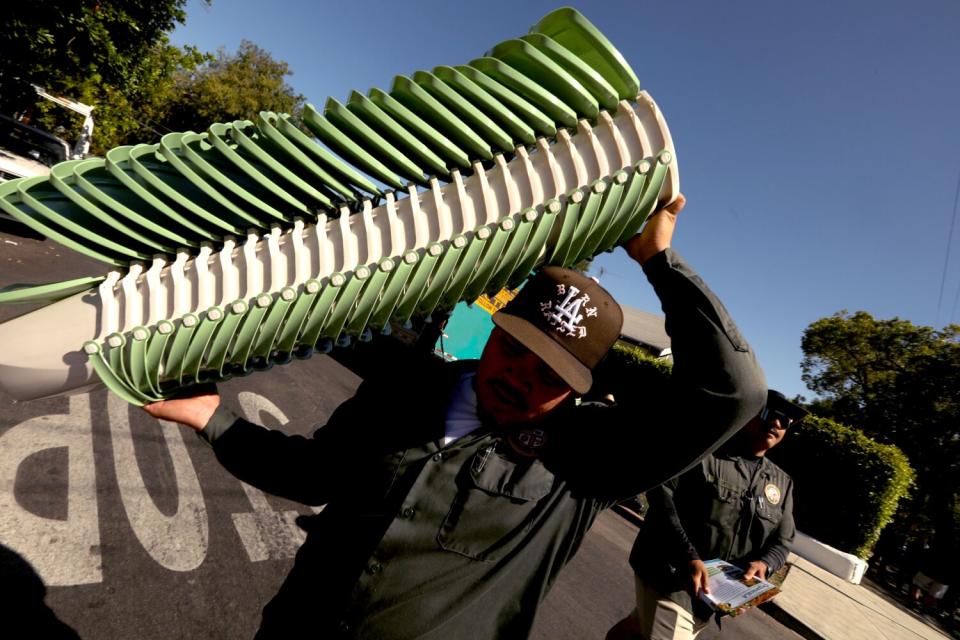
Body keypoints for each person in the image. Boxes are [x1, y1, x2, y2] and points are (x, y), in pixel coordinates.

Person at [144, 194, 767, 639]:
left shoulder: (591, 459)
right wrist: (216, 421)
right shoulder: (411, 386)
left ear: (580, 386)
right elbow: (317, 473)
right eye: (516, 348)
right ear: (494, 329)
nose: (520, 375)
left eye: (551, 373)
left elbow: (735, 392)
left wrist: (658, 260)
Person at [607, 389, 807, 640]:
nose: (776, 423)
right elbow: (662, 498)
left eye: (785, 421)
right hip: (669, 574)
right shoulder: (706, 450)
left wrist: (765, 564)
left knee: (635, 630)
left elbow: (783, 539)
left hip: (714, 592)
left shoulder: (782, 482)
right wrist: (687, 556)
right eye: (770, 413)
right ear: (749, 413)